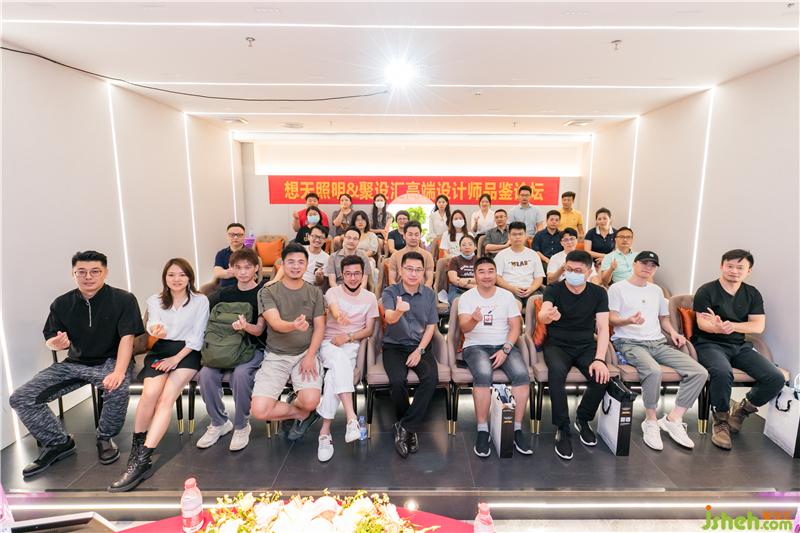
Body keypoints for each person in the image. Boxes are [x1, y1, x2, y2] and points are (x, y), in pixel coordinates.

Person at [10, 251, 144, 478]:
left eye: (95, 271)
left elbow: (127, 338)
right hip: (74, 362)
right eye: (81, 272)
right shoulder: (61, 303)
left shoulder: (123, 299)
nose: (88, 277)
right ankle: (58, 443)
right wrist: (55, 344)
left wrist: (119, 372)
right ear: (73, 274)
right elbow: (51, 339)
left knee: (117, 387)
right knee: (21, 397)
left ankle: (105, 437)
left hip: (110, 360)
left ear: (105, 272)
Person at [109, 258, 209, 492]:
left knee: (166, 399)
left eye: (182, 275)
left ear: (189, 278)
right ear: (165, 278)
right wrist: (156, 330)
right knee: (149, 394)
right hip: (161, 349)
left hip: (188, 352)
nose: (176, 279)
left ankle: (143, 459)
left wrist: (175, 360)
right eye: (171, 275)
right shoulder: (155, 300)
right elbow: (153, 325)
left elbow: (197, 336)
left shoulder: (200, 300)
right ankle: (137, 447)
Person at [608, 251, 708, 451]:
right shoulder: (617, 288)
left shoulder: (656, 291)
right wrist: (628, 320)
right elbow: (612, 318)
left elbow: (664, 319)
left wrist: (674, 333)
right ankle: (651, 421)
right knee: (653, 371)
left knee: (700, 372)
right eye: (644, 263)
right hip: (629, 342)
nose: (648, 267)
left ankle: (673, 419)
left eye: (652, 265)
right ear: (634, 264)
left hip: (658, 343)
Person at [693, 249, 785, 451]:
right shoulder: (706, 291)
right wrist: (717, 328)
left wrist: (731, 326)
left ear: (748, 271)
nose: (734, 271)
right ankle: (721, 421)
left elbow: (758, 326)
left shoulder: (752, 293)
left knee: (775, 377)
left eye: (740, 267)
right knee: (722, 371)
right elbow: (702, 324)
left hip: (739, 346)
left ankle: (742, 410)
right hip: (709, 344)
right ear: (721, 266)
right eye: (730, 266)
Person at [538, 250, 610, 460]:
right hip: (557, 345)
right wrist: (548, 316)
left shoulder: (599, 293)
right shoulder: (554, 289)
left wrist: (600, 359)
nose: (572, 273)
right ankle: (562, 428)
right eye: (569, 269)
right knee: (556, 374)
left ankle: (583, 418)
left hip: (586, 345)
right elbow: (543, 314)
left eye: (578, 270)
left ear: (588, 272)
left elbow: (603, 328)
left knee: (601, 376)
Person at [457, 256, 533, 457]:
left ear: (496, 274)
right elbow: (464, 328)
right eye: (481, 272)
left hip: (503, 344)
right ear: (475, 275)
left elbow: (516, 327)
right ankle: (483, 429)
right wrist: (474, 320)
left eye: (490, 271)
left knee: (521, 375)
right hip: (475, 346)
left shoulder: (507, 296)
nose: (486, 276)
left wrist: (506, 349)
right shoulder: (467, 298)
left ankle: (516, 429)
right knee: (483, 374)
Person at [251, 243, 325, 441]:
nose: (296, 266)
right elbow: (275, 323)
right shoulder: (268, 291)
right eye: (291, 262)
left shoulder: (315, 292)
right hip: (276, 355)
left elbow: (320, 327)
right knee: (259, 410)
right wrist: (293, 325)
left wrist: (310, 356)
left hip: (305, 353)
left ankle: (304, 406)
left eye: (301, 262)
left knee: (311, 401)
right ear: (282, 265)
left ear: (307, 265)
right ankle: (301, 414)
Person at [196, 247, 267, 452]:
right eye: (238, 267)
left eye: (247, 267)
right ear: (231, 268)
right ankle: (219, 422)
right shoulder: (222, 294)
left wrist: (245, 327)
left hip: (253, 347)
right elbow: (200, 309)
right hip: (223, 346)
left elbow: (260, 329)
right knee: (206, 374)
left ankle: (242, 425)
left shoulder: (263, 294)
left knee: (241, 375)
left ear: (256, 268)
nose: (243, 272)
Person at [316, 255, 379, 462]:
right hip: (330, 343)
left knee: (333, 376)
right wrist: (338, 316)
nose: (352, 278)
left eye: (357, 274)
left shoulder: (370, 297)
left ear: (363, 275)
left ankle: (325, 432)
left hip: (352, 345)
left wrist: (349, 336)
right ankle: (351, 418)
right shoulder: (332, 292)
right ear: (342, 275)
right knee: (339, 361)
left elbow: (369, 330)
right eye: (348, 274)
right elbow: (334, 308)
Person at [382, 252, 439, 458]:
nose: (413, 274)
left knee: (431, 378)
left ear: (423, 272)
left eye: (418, 270)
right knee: (397, 381)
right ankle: (409, 427)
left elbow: (431, 326)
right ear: (401, 270)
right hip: (394, 346)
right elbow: (389, 318)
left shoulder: (429, 294)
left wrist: (419, 350)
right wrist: (399, 311)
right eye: (409, 269)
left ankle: (405, 427)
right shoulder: (390, 292)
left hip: (419, 345)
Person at [494, 221, 545, 307]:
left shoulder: (533, 254)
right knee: (515, 307)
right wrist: (512, 288)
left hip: (530, 290)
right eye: (514, 234)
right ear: (509, 236)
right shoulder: (501, 255)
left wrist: (531, 288)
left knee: (537, 305)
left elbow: (539, 277)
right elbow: (497, 277)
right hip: (509, 290)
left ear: (525, 236)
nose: (517, 237)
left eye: (520, 234)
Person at [387, 221, 435, 287]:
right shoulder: (395, 256)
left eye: (416, 235)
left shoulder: (427, 256)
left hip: (422, 290)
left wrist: (424, 292)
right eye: (410, 234)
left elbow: (429, 279)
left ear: (420, 235)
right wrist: (397, 292)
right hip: (399, 291)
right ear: (404, 236)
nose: (413, 238)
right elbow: (392, 280)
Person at [213, 223, 247, 288]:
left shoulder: (250, 254)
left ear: (244, 237)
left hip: (244, 288)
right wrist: (240, 271)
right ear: (227, 236)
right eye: (232, 235)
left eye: (239, 235)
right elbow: (218, 273)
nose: (235, 237)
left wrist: (229, 272)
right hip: (224, 289)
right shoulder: (221, 254)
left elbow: (253, 275)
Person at [446, 235, 478, 304]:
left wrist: (466, 280)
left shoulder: (480, 260)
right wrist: (473, 286)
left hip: (476, 290)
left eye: (470, 244)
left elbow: (481, 279)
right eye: (464, 245)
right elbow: (453, 279)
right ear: (460, 248)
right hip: (457, 289)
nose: (467, 247)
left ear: (475, 247)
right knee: (461, 302)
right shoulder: (454, 260)